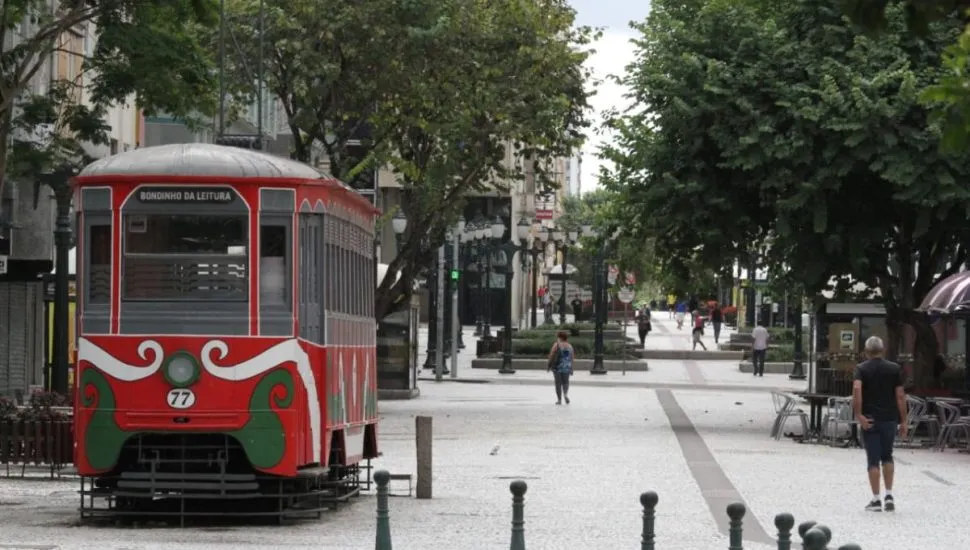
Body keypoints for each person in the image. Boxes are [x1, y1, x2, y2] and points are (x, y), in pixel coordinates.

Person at [853, 336, 907, 512]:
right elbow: (900, 396)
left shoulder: (861, 369)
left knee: (873, 460)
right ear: (882, 350)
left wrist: (859, 414)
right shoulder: (894, 369)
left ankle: (876, 499)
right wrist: (904, 420)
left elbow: (857, 390)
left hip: (870, 419)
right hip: (889, 419)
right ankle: (889, 495)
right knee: (888, 456)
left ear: (866, 352)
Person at [547, 330, 574, 405]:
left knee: (558, 383)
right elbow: (572, 358)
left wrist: (549, 365)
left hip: (557, 367)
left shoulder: (556, 345)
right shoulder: (570, 346)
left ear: (560, 337)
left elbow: (552, 355)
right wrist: (571, 368)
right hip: (567, 366)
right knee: (566, 382)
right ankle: (565, 394)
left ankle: (559, 400)